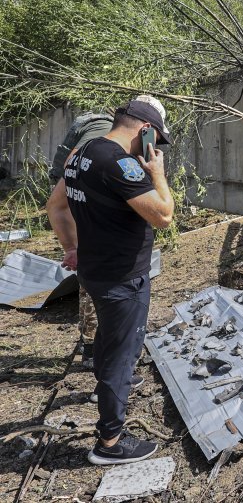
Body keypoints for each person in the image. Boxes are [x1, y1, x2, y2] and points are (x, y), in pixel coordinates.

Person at [58, 95, 174, 464]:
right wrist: (158, 173)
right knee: (124, 356)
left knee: (108, 342)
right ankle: (109, 443)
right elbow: (164, 216)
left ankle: (103, 393)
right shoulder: (121, 164)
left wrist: (71, 247)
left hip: (94, 269)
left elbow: (57, 205)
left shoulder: (83, 151)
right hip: (123, 277)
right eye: (154, 140)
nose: (152, 148)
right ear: (146, 131)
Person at [47, 112, 114, 369]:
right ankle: (92, 349)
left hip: (77, 194)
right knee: (92, 270)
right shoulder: (104, 131)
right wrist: (71, 247)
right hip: (76, 195)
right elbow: (74, 163)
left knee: (91, 269)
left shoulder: (104, 129)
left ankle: (94, 347)